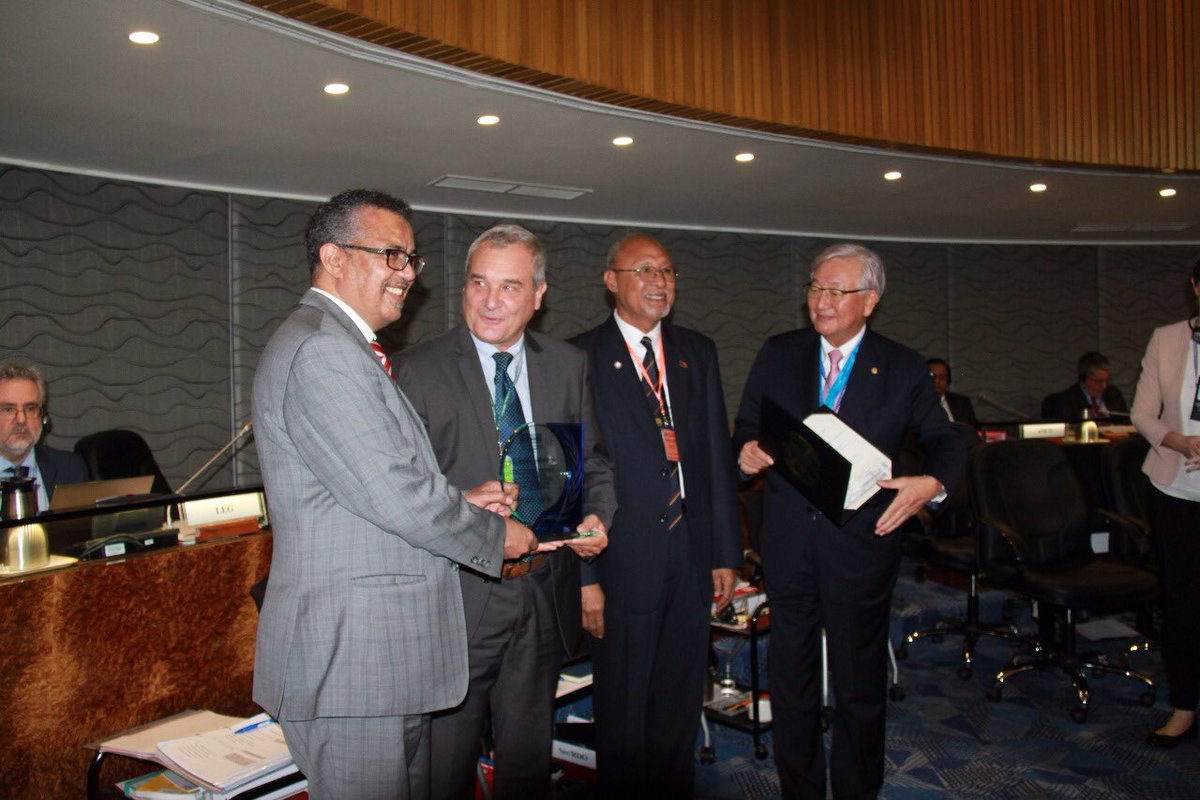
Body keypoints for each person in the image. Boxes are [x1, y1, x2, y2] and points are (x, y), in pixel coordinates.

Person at [251, 189, 548, 800]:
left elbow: (368, 490)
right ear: (333, 257)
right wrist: (496, 533)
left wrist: (461, 502)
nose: (407, 273)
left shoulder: (344, 346)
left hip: (378, 661)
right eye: (391, 255)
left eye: (411, 259)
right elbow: (396, 496)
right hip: (354, 662)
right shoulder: (323, 350)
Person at [734, 243, 967, 800]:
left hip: (862, 546)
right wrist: (744, 453)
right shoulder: (779, 353)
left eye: (838, 291)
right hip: (788, 544)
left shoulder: (904, 367)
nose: (822, 301)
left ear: (870, 300)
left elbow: (949, 439)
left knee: (859, 687)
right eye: (816, 288)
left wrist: (931, 484)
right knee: (791, 683)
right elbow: (745, 426)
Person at [396, 224, 617, 799]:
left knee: (526, 766)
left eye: (510, 286)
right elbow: (402, 491)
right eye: (479, 283)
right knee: (445, 771)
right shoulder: (416, 369)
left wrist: (597, 517)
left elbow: (593, 462)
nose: (490, 301)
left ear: (538, 295)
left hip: (542, 591)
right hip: (459, 598)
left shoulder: (568, 364)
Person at [570, 233, 743, 798]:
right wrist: (585, 578)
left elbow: (714, 454)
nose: (658, 281)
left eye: (666, 271)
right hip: (619, 559)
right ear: (611, 281)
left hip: (690, 554)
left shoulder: (697, 350)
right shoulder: (578, 357)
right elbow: (573, 476)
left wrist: (724, 552)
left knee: (678, 700)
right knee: (623, 708)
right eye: (643, 270)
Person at [1131, 256, 1200, 749]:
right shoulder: (1167, 338)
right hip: (1175, 490)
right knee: (1182, 603)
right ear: (1195, 286)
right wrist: (1178, 441)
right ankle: (1184, 706)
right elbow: (1142, 413)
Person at [0, 361, 88, 509]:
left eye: (30, 408)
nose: (21, 420)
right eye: (8, 409)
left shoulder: (70, 468)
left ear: (43, 417)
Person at [1041, 351, 1129, 420]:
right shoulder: (1065, 401)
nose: (1104, 386)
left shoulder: (1114, 394)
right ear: (1083, 379)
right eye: (1098, 381)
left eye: (1106, 380)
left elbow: (1126, 423)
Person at [927, 357, 978, 426]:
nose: (937, 381)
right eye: (933, 377)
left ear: (948, 381)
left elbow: (974, 430)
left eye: (942, 377)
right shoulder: (915, 403)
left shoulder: (962, 403)